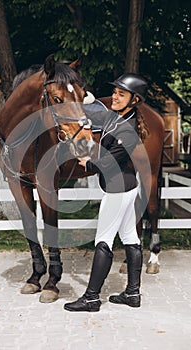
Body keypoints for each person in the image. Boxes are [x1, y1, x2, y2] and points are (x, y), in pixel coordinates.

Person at [64, 73, 148, 312]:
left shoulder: (128, 128)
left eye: (121, 94)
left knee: (103, 241)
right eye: (115, 92)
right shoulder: (118, 118)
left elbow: (111, 162)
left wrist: (88, 164)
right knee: (130, 238)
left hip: (118, 190)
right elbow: (101, 145)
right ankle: (132, 294)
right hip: (127, 187)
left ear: (135, 100)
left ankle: (91, 298)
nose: (115, 97)